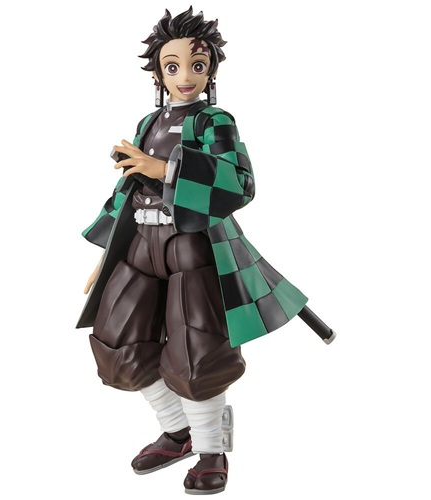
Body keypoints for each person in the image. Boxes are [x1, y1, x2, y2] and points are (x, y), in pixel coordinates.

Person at [78, 7, 309, 495]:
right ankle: (177, 431)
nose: (185, 76)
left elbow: (240, 183)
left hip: (193, 247)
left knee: (197, 353)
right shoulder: (148, 122)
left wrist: (164, 170)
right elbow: (127, 188)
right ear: (158, 74)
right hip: (141, 241)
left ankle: (210, 450)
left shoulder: (214, 120)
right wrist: (105, 255)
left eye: (197, 65)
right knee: (117, 342)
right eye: (173, 66)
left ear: (212, 72)